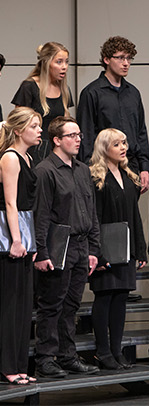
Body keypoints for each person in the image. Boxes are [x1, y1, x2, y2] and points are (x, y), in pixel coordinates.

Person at [28, 116, 96, 378]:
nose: (78, 139)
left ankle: (68, 355)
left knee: (72, 305)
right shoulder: (45, 171)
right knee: (51, 305)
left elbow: (91, 211)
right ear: (56, 140)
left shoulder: (82, 169)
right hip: (59, 246)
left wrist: (93, 249)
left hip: (80, 245)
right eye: (72, 135)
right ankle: (46, 358)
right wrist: (42, 252)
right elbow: (41, 214)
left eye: (79, 134)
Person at [87, 128, 144, 371]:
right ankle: (102, 351)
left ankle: (116, 350)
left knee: (121, 298)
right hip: (106, 246)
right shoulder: (96, 178)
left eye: (124, 142)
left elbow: (135, 216)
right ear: (104, 149)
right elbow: (94, 217)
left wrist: (139, 249)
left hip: (126, 246)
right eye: (117, 144)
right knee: (105, 297)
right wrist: (96, 251)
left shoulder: (128, 176)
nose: (123, 147)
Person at [0, 108, 41, 384]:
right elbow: (10, 203)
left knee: (25, 305)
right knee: (10, 304)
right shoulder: (10, 158)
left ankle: (19, 363)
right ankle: (6, 366)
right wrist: (16, 239)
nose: (40, 130)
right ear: (19, 130)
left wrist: (30, 240)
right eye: (35, 126)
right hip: (8, 235)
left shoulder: (28, 157)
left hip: (25, 232)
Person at [75, 36, 149, 184]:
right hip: (102, 165)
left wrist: (144, 167)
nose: (126, 63)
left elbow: (140, 131)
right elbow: (86, 134)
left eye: (129, 59)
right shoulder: (91, 93)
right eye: (121, 58)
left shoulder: (133, 93)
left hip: (131, 163)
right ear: (106, 60)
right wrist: (89, 170)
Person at [12, 43, 71, 160]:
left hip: (57, 151)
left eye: (66, 62)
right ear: (47, 63)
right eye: (59, 62)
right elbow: (18, 124)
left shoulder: (64, 90)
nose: (64, 66)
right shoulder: (29, 87)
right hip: (33, 151)